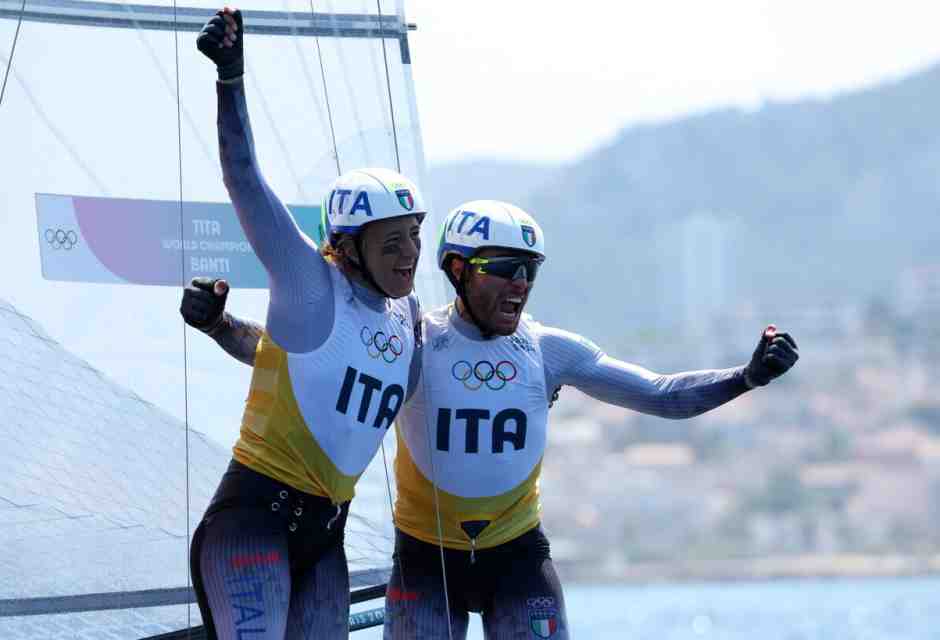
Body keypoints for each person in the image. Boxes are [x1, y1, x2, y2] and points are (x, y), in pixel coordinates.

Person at [184, 200, 799, 639]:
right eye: (504, 268)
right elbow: (292, 359)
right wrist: (219, 326)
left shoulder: (549, 350)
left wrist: (747, 376)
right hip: (426, 563)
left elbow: (662, 395)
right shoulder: (414, 342)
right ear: (458, 269)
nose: (521, 284)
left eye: (530, 270)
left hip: (517, 561)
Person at [188, 7, 427, 639]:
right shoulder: (309, 283)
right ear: (348, 247)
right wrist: (231, 80)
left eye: (414, 236)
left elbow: (293, 361)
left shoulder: (410, 320)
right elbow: (244, 179)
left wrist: (222, 329)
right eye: (390, 242)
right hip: (252, 523)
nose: (408, 255)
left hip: (327, 539)